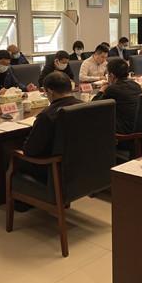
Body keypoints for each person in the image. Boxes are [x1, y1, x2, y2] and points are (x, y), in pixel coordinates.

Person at [18, 72, 84, 210]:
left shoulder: (47, 115)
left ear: (50, 91)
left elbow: (30, 150)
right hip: (80, 165)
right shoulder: (83, 106)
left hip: (54, 169)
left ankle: (23, 202)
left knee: (9, 156)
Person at [93, 58, 142, 134]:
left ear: (112, 75)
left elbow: (94, 107)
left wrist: (101, 90)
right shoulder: (136, 85)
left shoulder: (112, 89)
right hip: (139, 126)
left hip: (124, 129)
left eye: (108, 75)